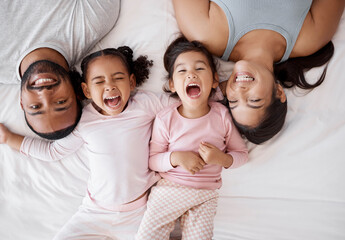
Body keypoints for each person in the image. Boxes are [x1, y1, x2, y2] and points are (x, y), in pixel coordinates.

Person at [0, 47, 176, 240]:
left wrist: (215, 94)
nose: (109, 86)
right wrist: (9, 138)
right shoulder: (85, 122)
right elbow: (52, 152)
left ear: (131, 81)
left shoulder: (145, 104)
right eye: (99, 82)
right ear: (86, 90)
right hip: (94, 212)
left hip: (140, 212)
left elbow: (185, 102)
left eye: (118, 78)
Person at [172, 0, 345, 144]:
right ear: (278, 92)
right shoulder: (311, 38)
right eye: (253, 100)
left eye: (233, 100)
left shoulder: (204, 33)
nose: (240, 91)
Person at [136, 36, 248, 240]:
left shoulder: (221, 116)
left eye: (199, 69)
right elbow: (153, 160)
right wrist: (176, 158)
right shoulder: (166, 118)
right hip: (170, 191)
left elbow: (241, 154)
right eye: (182, 71)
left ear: (214, 80)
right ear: (172, 85)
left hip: (205, 196)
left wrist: (221, 159)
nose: (191, 75)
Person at [0, 0, 120, 140]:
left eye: (35, 106)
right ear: (77, 92)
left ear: (22, 102)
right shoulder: (91, 23)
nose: (44, 94)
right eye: (60, 102)